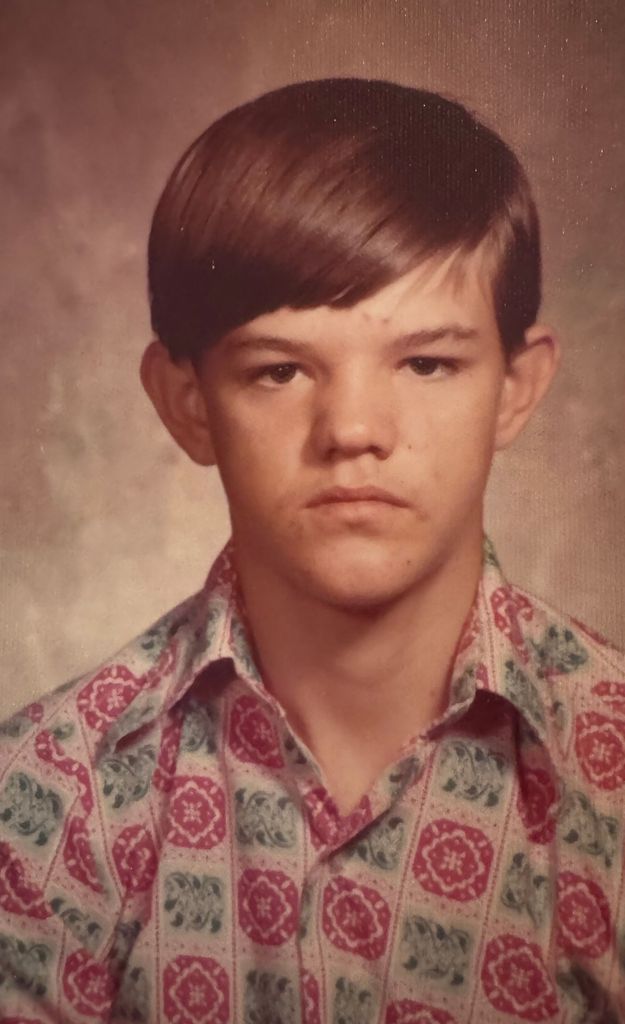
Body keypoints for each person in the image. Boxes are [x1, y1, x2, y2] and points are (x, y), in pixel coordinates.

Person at [0, 77, 623, 1024]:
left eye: (426, 363)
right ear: (187, 403)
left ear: (514, 388)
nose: (353, 430)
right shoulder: (40, 805)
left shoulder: (607, 773)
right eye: (281, 370)